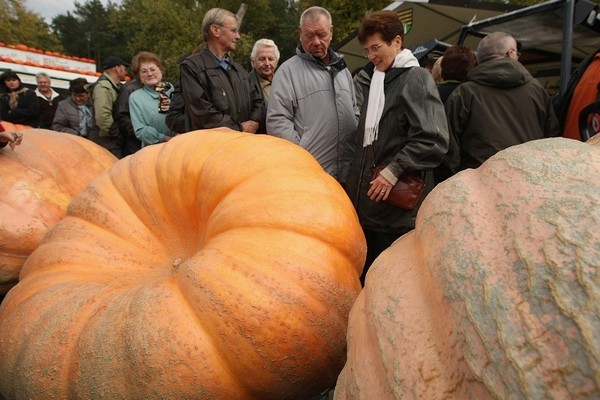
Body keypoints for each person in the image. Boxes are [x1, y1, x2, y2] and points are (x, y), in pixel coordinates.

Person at [344, 10, 449, 285]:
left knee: (392, 284)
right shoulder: (378, 81)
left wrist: (393, 170)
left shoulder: (416, 78)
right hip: (370, 208)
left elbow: (433, 139)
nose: (371, 56)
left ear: (397, 42)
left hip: (395, 213)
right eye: (367, 50)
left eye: (376, 48)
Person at [267, 6, 358, 182]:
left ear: (331, 32)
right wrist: (301, 155)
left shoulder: (343, 70)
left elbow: (354, 109)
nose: (316, 42)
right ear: (300, 34)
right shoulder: (287, 72)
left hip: (348, 172)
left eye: (322, 35)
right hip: (311, 175)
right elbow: (277, 120)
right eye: (309, 35)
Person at [445, 32, 559, 172]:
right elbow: (553, 141)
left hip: (479, 184)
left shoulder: (463, 94)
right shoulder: (537, 90)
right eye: (517, 53)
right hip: (530, 178)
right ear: (510, 53)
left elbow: (450, 153)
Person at [179, 8, 264, 132]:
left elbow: (258, 101)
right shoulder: (191, 67)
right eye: (234, 31)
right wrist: (239, 128)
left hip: (244, 146)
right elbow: (201, 112)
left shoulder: (240, 71)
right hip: (213, 147)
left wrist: (254, 122)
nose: (238, 37)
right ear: (215, 30)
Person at [129, 51, 176, 147]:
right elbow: (140, 130)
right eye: (144, 71)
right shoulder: (136, 98)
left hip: (180, 147)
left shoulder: (175, 91)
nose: (149, 74)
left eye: (153, 69)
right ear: (139, 76)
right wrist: (165, 138)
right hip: (153, 152)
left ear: (161, 70)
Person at [89, 55, 129, 158]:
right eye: (124, 68)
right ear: (117, 68)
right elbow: (102, 116)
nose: (126, 72)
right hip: (107, 142)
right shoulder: (103, 88)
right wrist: (118, 135)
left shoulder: (111, 86)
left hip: (110, 140)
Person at [114, 54, 143, 156]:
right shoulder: (129, 89)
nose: (149, 73)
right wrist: (137, 131)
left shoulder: (159, 88)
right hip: (134, 141)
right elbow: (121, 115)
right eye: (144, 70)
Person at [249, 38, 279, 133]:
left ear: (276, 62)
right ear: (253, 62)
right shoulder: (246, 84)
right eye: (262, 59)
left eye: (270, 59)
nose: (267, 63)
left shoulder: (284, 82)